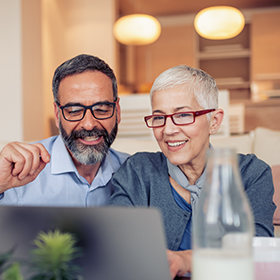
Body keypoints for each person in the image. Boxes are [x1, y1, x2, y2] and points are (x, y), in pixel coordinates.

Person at [108, 65, 276, 278]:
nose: (168, 130)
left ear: (214, 121)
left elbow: (255, 252)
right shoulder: (138, 171)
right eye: (159, 117)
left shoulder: (250, 173)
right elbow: (115, 244)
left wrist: (186, 261)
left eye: (184, 115)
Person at [0, 54, 129, 206]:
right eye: (74, 110)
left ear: (117, 111)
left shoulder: (133, 171)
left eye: (101, 109)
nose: (88, 124)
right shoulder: (18, 171)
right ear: (57, 114)